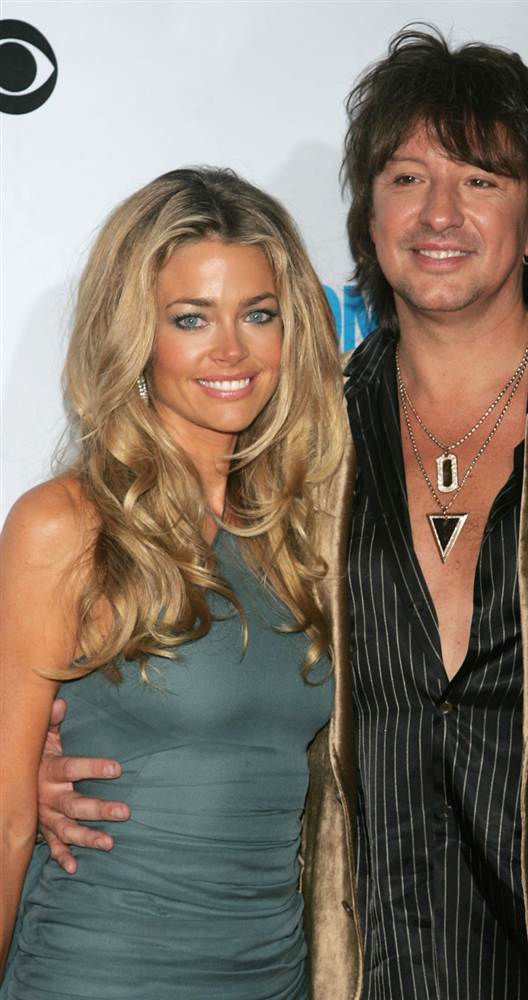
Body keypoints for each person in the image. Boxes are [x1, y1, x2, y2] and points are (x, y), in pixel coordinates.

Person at [36, 26, 528, 1000]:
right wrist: (56, 764)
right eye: (406, 178)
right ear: (368, 220)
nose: (439, 212)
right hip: (364, 962)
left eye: (481, 179)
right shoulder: (292, 437)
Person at [0, 166, 354, 999]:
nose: (231, 349)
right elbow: (8, 817)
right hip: (99, 970)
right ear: (136, 336)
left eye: (258, 314)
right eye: (191, 318)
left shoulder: (299, 529)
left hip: (273, 978)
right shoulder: (67, 525)